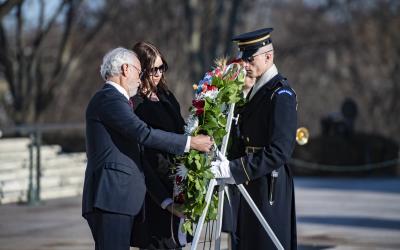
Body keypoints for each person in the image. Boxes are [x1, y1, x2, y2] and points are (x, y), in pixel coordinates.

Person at [82, 47, 212, 250]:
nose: (140, 78)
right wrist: (190, 143)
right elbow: (144, 133)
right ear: (126, 69)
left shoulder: (118, 100)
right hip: (110, 198)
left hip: (118, 199)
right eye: (139, 71)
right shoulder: (108, 99)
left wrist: (167, 201)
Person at [212, 28, 298, 250]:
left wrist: (234, 169)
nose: (245, 64)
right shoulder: (258, 90)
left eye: (250, 59)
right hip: (250, 181)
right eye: (243, 58)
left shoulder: (280, 94)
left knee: (265, 243)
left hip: (268, 184)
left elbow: (280, 151)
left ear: (268, 56)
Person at [129, 41, 187, 249]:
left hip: (176, 178)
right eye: (153, 69)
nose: (158, 74)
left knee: (175, 241)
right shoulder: (133, 103)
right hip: (152, 185)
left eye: (162, 68)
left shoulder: (166, 96)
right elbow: (141, 151)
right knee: (157, 242)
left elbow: (181, 131)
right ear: (141, 70)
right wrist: (164, 199)